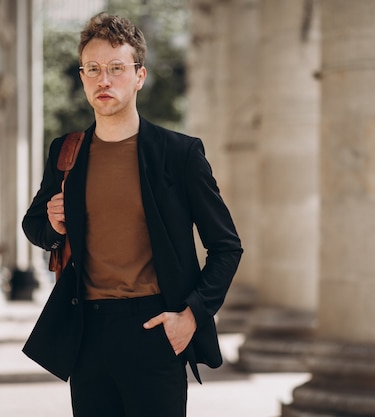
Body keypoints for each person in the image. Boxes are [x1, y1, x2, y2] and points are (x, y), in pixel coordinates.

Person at [22, 12, 242, 417]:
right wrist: (53, 226)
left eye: (116, 68)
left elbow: (227, 246)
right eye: (93, 69)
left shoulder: (180, 154)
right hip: (87, 330)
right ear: (83, 76)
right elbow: (34, 225)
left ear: (139, 75)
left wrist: (191, 315)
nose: (103, 80)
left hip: (155, 329)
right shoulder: (66, 152)